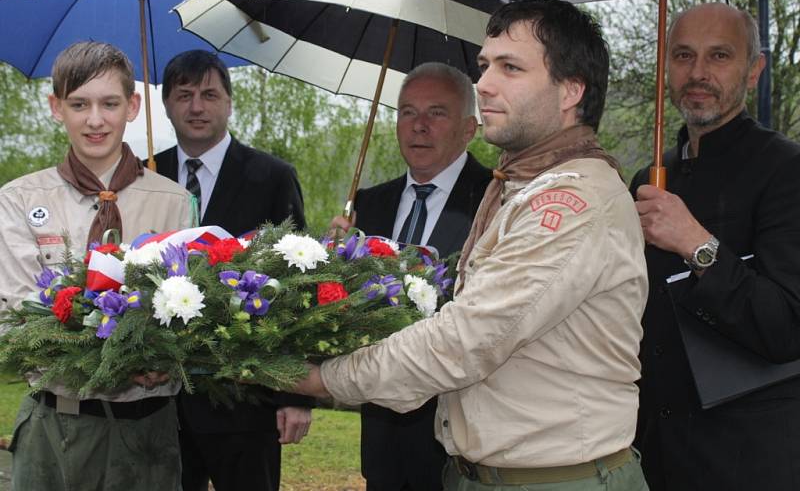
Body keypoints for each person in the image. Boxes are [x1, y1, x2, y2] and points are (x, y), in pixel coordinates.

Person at [303, 0, 649, 491]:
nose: (483, 84)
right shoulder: (518, 187)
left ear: (571, 90)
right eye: (485, 66)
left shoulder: (574, 199)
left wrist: (321, 378)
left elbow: (465, 339)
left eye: (511, 67)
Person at [0, 41, 193, 491]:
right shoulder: (20, 200)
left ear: (133, 106)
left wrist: (169, 355)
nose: (94, 120)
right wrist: (123, 361)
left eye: (109, 103)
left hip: (147, 432)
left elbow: (189, 313)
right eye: (78, 104)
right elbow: (15, 317)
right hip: (55, 429)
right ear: (56, 108)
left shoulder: (175, 203)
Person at [631, 3, 800, 490]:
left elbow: (787, 329)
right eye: (683, 56)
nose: (698, 73)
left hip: (747, 457)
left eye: (719, 56)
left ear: (753, 72)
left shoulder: (786, 171)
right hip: (653, 453)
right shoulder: (649, 179)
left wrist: (697, 244)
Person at [154, 49, 313, 491]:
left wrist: (296, 394)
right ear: (166, 104)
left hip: (246, 400)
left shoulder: (272, 176)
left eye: (209, 94)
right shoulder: (146, 175)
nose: (197, 107)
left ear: (229, 101)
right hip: (159, 404)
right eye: (183, 95)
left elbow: (296, 285)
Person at [332, 61, 493, 491]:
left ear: (469, 128)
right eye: (407, 112)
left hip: (459, 439)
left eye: (436, 113)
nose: (419, 126)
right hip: (383, 435)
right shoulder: (369, 203)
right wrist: (332, 261)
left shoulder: (496, 201)